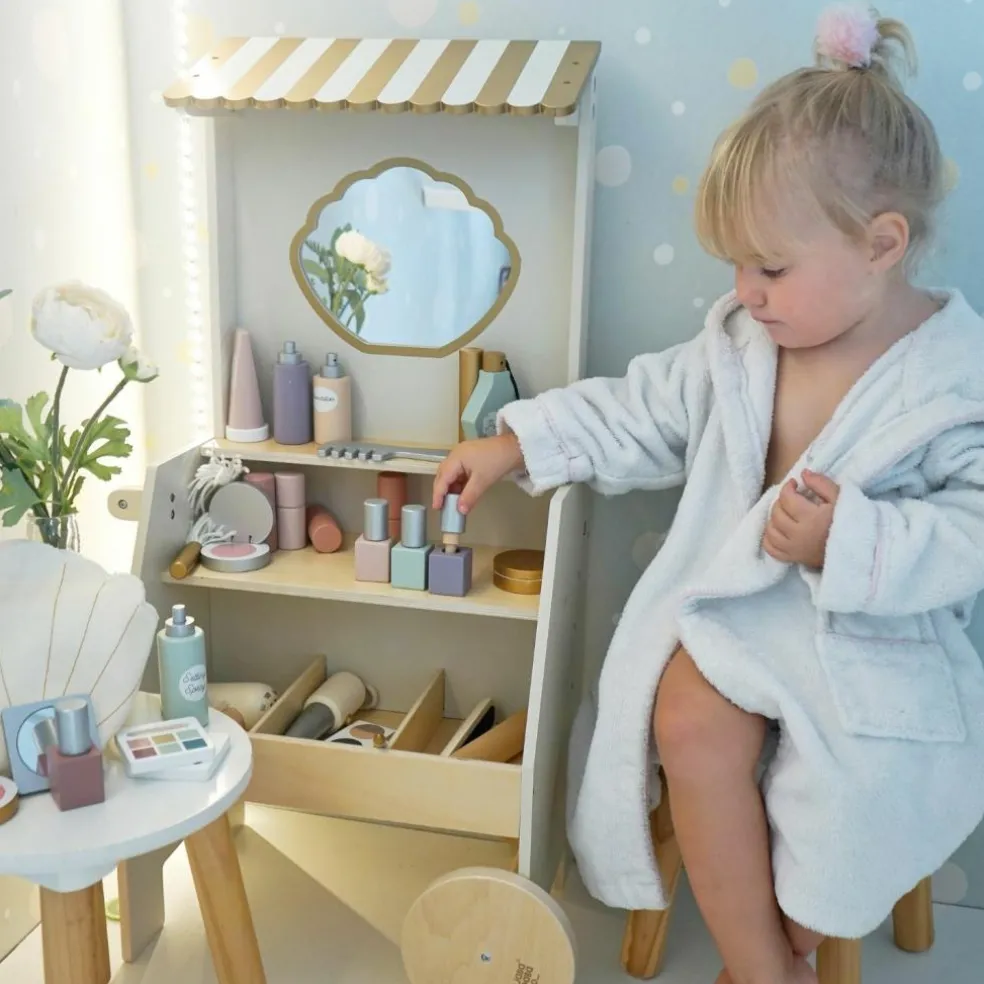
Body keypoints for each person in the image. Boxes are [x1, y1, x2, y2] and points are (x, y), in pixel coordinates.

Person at [431, 6, 984, 984]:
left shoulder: (949, 381)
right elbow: (643, 411)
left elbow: (971, 529)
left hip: (865, 635)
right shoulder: (741, 342)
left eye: (771, 267)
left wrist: (849, 538)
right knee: (684, 717)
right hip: (738, 615)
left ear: (883, 243)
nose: (747, 289)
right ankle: (764, 969)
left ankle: (790, 941)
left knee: (864, 786)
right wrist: (518, 440)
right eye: (735, 264)